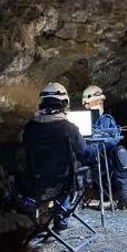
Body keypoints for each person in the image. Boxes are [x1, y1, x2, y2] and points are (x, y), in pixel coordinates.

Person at [22, 82, 90, 231]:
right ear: (64, 103)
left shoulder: (29, 128)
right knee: (74, 171)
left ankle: (41, 216)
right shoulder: (68, 128)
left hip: (35, 184)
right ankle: (62, 218)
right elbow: (83, 152)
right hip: (60, 184)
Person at [81, 85, 127, 210]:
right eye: (96, 102)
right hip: (87, 157)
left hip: (105, 156)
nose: (99, 104)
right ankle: (75, 199)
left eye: (101, 102)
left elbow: (115, 137)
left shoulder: (107, 119)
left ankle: (124, 196)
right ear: (87, 104)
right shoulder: (80, 120)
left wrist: (102, 140)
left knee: (120, 152)